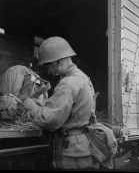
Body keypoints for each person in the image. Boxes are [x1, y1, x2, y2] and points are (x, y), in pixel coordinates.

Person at [23, 36, 99, 170]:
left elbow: (48, 120)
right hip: (84, 147)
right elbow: (73, 111)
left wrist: (32, 106)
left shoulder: (67, 84)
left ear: (58, 62)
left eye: (47, 66)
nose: (48, 71)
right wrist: (43, 106)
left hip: (73, 153)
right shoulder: (83, 77)